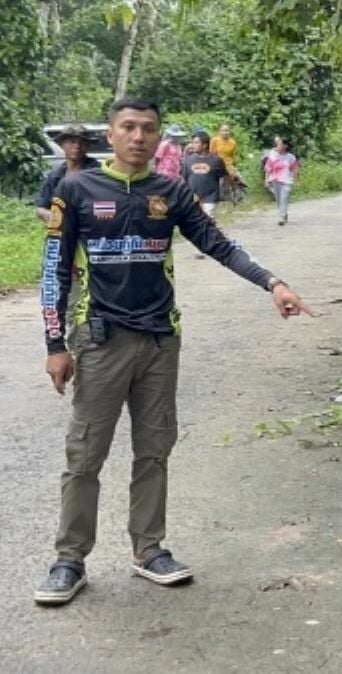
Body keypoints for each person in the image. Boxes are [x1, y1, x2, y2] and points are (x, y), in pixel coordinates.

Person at [35, 97, 311, 606]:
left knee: (154, 448)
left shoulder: (171, 190)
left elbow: (218, 243)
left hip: (161, 340)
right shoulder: (73, 190)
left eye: (149, 129)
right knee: (85, 454)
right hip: (100, 340)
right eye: (128, 127)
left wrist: (273, 283)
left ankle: (149, 550)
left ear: (160, 138)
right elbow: (53, 269)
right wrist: (55, 344)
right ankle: (69, 559)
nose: (139, 137)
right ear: (111, 135)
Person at [35, 125, 100, 224]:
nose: (77, 146)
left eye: (82, 142)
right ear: (62, 144)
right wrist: (50, 216)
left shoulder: (98, 173)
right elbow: (41, 207)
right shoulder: (55, 176)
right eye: (72, 142)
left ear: (88, 146)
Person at [181, 131, 228, 221]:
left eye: (196, 143)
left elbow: (224, 176)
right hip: (193, 197)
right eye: (192, 143)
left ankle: (210, 233)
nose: (193, 145)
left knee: (207, 220)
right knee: (194, 223)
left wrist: (224, 193)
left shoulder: (216, 160)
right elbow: (183, 179)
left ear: (204, 145)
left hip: (210, 197)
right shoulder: (187, 161)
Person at [263, 137, 300, 226]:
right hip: (275, 179)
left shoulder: (290, 157)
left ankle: (282, 217)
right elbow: (268, 168)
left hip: (287, 180)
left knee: (284, 197)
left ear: (285, 146)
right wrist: (266, 179)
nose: (277, 146)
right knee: (279, 199)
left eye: (279, 144)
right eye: (277, 144)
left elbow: (295, 169)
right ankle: (284, 213)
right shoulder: (272, 155)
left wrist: (296, 181)